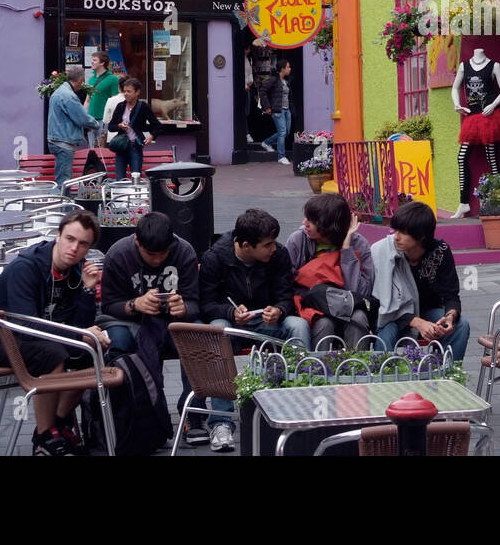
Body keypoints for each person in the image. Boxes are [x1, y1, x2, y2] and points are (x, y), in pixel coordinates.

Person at [0, 210, 107, 455]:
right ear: (58, 236)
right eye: (70, 239)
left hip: (38, 338)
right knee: (52, 354)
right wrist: (79, 335)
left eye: (83, 244)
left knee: (91, 355)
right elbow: (28, 328)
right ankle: (45, 436)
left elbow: (77, 324)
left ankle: (58, 421)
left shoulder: (75, 272)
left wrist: (88, 292)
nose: (74, 248)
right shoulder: (28, 267)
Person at [197, 209, 310, 451]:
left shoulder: (278, 255)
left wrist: (279, 310)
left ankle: (302, 403)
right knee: (217, 330)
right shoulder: (214, 258)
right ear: (246, 245)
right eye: (267, 245)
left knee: (298, 326)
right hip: (232, 324)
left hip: (266, 322)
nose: (273, 248)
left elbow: (287, 297)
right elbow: (206, 305)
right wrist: (230, 313)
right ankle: (221, 421)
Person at [96, 211, 205, 444]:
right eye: (150, 254)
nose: (156, 260)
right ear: (137, 242)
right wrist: (135, 304)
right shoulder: (118, 254)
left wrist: (183, 307)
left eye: (162, 254)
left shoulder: (184, 251)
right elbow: (108, 306)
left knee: (194, 334)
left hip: (173, 322)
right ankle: (136, 414)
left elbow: (196, 303)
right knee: (120, 341)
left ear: (172, 243)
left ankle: (193, 414)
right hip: (130, 321)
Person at [371, 201, 470, 361]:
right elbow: (378, 303)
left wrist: (450, 317)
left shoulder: (440, 252)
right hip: (390, 315)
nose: (396, 236)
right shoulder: (383, 251)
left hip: (428, 311)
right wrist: (416, 322)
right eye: (396, 230)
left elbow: (451, 295)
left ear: (421, 236)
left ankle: (447, 376)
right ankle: (383, 380)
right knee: (386, 333)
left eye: (403, 232)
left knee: (461, 326)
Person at [285, 193, 374, 348]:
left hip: (348, 306)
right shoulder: (298, 240)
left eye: (311, 221)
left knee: (359, 318)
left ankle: (356, 368)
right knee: (324, 323)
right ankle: (318, 369)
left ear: (328, 226)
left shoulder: (359, 244)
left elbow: (361, 292)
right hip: (313, 307)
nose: (304, 223)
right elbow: (287, 283)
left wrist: (346, 249)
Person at [448, 48, 500, 218]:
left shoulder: (493, 65)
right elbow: (455, 88)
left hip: (489, 116)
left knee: (491, 157)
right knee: (461, 158)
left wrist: (494, 104)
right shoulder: (464, 66)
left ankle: (499, 200)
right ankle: (463, 203)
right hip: (472, 117)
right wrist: (457, 105)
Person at [47, 65, 100, 188]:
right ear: (80, 80)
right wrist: (96, 124)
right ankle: (64, 206)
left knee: (62, 178)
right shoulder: (69, 96)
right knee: (64, 182)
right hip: (63, 141)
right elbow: (82, 118)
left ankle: (63, 204)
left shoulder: (59, 91)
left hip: (55, 139)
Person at [106, 77, 165, 179]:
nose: (126, 94)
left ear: (137, 92)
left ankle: (134, 195)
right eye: (124, 91)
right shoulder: (120, 106)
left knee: (135, 178)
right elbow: (111, 127)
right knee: (120, 178)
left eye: (129, 91)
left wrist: (151, 136)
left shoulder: (143, 107)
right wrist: (119, 126)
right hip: (121, 146)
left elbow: (157, 126)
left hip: (135, 146)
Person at [258, 59, 293, 165]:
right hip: (278, 110)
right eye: (288, 67)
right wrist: (267, 107)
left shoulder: (286, 81)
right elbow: (263, 91)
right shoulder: (273, 80)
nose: (289, 69)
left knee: (285, 132)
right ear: (282, 69)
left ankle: (266, 142)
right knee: (282, 132)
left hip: (287, 110)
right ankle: (281, 156)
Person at [85, 51, 119, 145]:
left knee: (103, 148)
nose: (92, 62)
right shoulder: (91, 79)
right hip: (91, 120)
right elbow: (87, 100)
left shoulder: (113, 79)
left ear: (102, 63)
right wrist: (85, 117)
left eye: (94, 60)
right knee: (92, 148)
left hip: (104, 121)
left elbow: (115, 101)